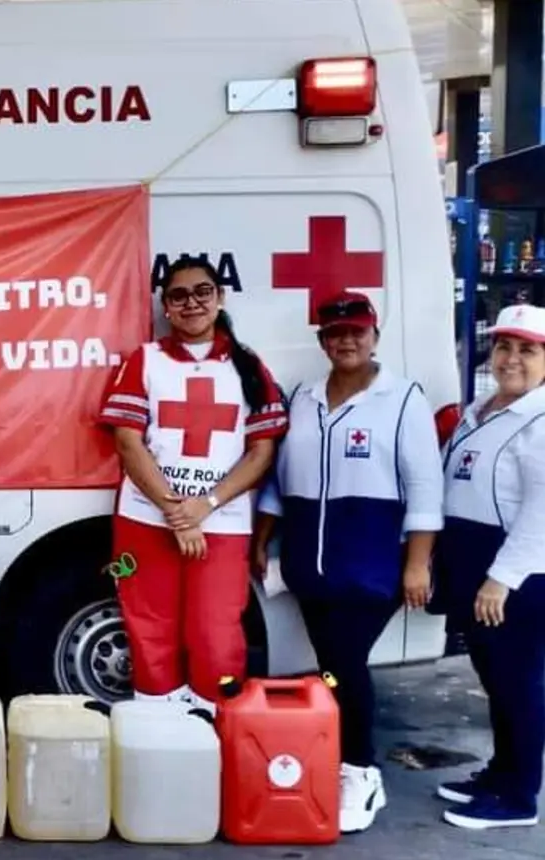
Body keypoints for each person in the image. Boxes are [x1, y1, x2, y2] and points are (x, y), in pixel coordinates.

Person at [251, 290, 444, 834]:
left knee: (342, 665)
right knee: (334, 667)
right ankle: (338, 757)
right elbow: (279, 482)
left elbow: (426, 488)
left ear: (375, 335)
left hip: (374, 565)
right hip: (309, 567)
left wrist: (418, 564)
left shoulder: (402, 398)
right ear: (322, 341)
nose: (347, 340)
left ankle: (361, 770)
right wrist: (261, 539)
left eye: (357, 331)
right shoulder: (304, 397)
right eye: (336, 333)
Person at [97, 256, 287, 714]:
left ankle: (213, 733)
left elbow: (262, 453)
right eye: (178, 295)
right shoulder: (144, 360)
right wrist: (176, 513)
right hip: (145, 522)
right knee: (149, 628)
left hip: (222, 524)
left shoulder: (248, 366)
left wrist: (204, 506)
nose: (192, 303)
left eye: (203, 291)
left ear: (220, 298)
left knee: (215, 633)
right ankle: (159, 733)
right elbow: (128, 443)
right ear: (166, 305)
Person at [431, 303, 545, 830]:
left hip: (514, 577)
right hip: (473, 565)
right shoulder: (483, 408)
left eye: (527, 350)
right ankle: (500, 773)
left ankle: (519, 797)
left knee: (518, 682)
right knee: (495, 681)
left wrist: (501, 579)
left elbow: (541, 513)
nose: (512, 359)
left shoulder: (539, 421)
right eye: (504, 346)